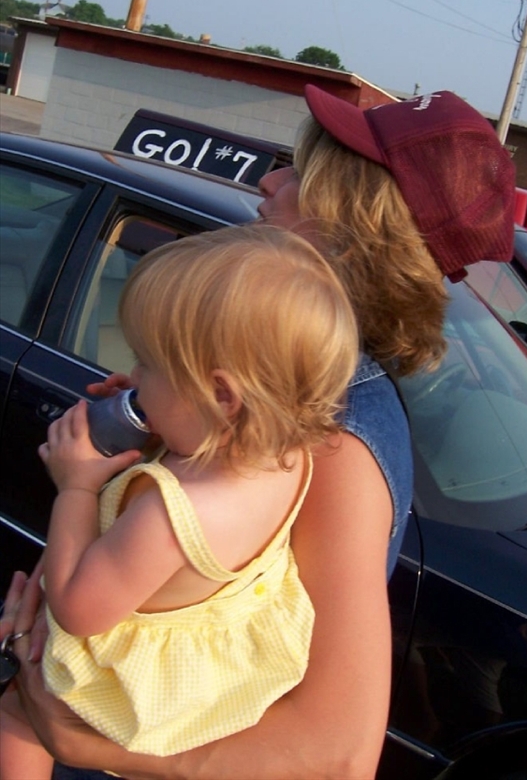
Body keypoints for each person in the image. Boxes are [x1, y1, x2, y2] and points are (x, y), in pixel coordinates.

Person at [1, 87, 516, 780]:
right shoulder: (275, 384)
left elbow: (337, 752)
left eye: (300, 173)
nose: (269, 180)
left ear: (353, 224)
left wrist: (76, 738)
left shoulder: (333, 435)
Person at [0, 223, 359, 779]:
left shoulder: (170, 514)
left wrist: (77, 485)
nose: (135, 375)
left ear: (219, 394)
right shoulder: (285, 456)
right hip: (210, 683)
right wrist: (160, 410)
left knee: (15, 713)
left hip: (119, 691)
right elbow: (208, 439)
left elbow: (76, 608)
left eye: (148, 364)